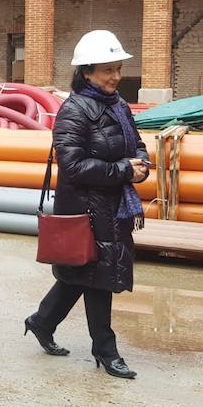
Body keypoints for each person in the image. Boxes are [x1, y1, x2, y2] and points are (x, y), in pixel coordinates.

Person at [24, 29, 149, 380]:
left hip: (114, 208)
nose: (116, 77)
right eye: (108, 70)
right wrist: (123, 169)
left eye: (118, 69)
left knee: (80, 274)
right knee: (98, 279)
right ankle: (105, 350)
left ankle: (41, 322)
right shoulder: (74, 111)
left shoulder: (120, 106)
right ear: (87, 72)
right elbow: (73, 166)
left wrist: (140, 164)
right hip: (85, 211)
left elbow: (136, 144)